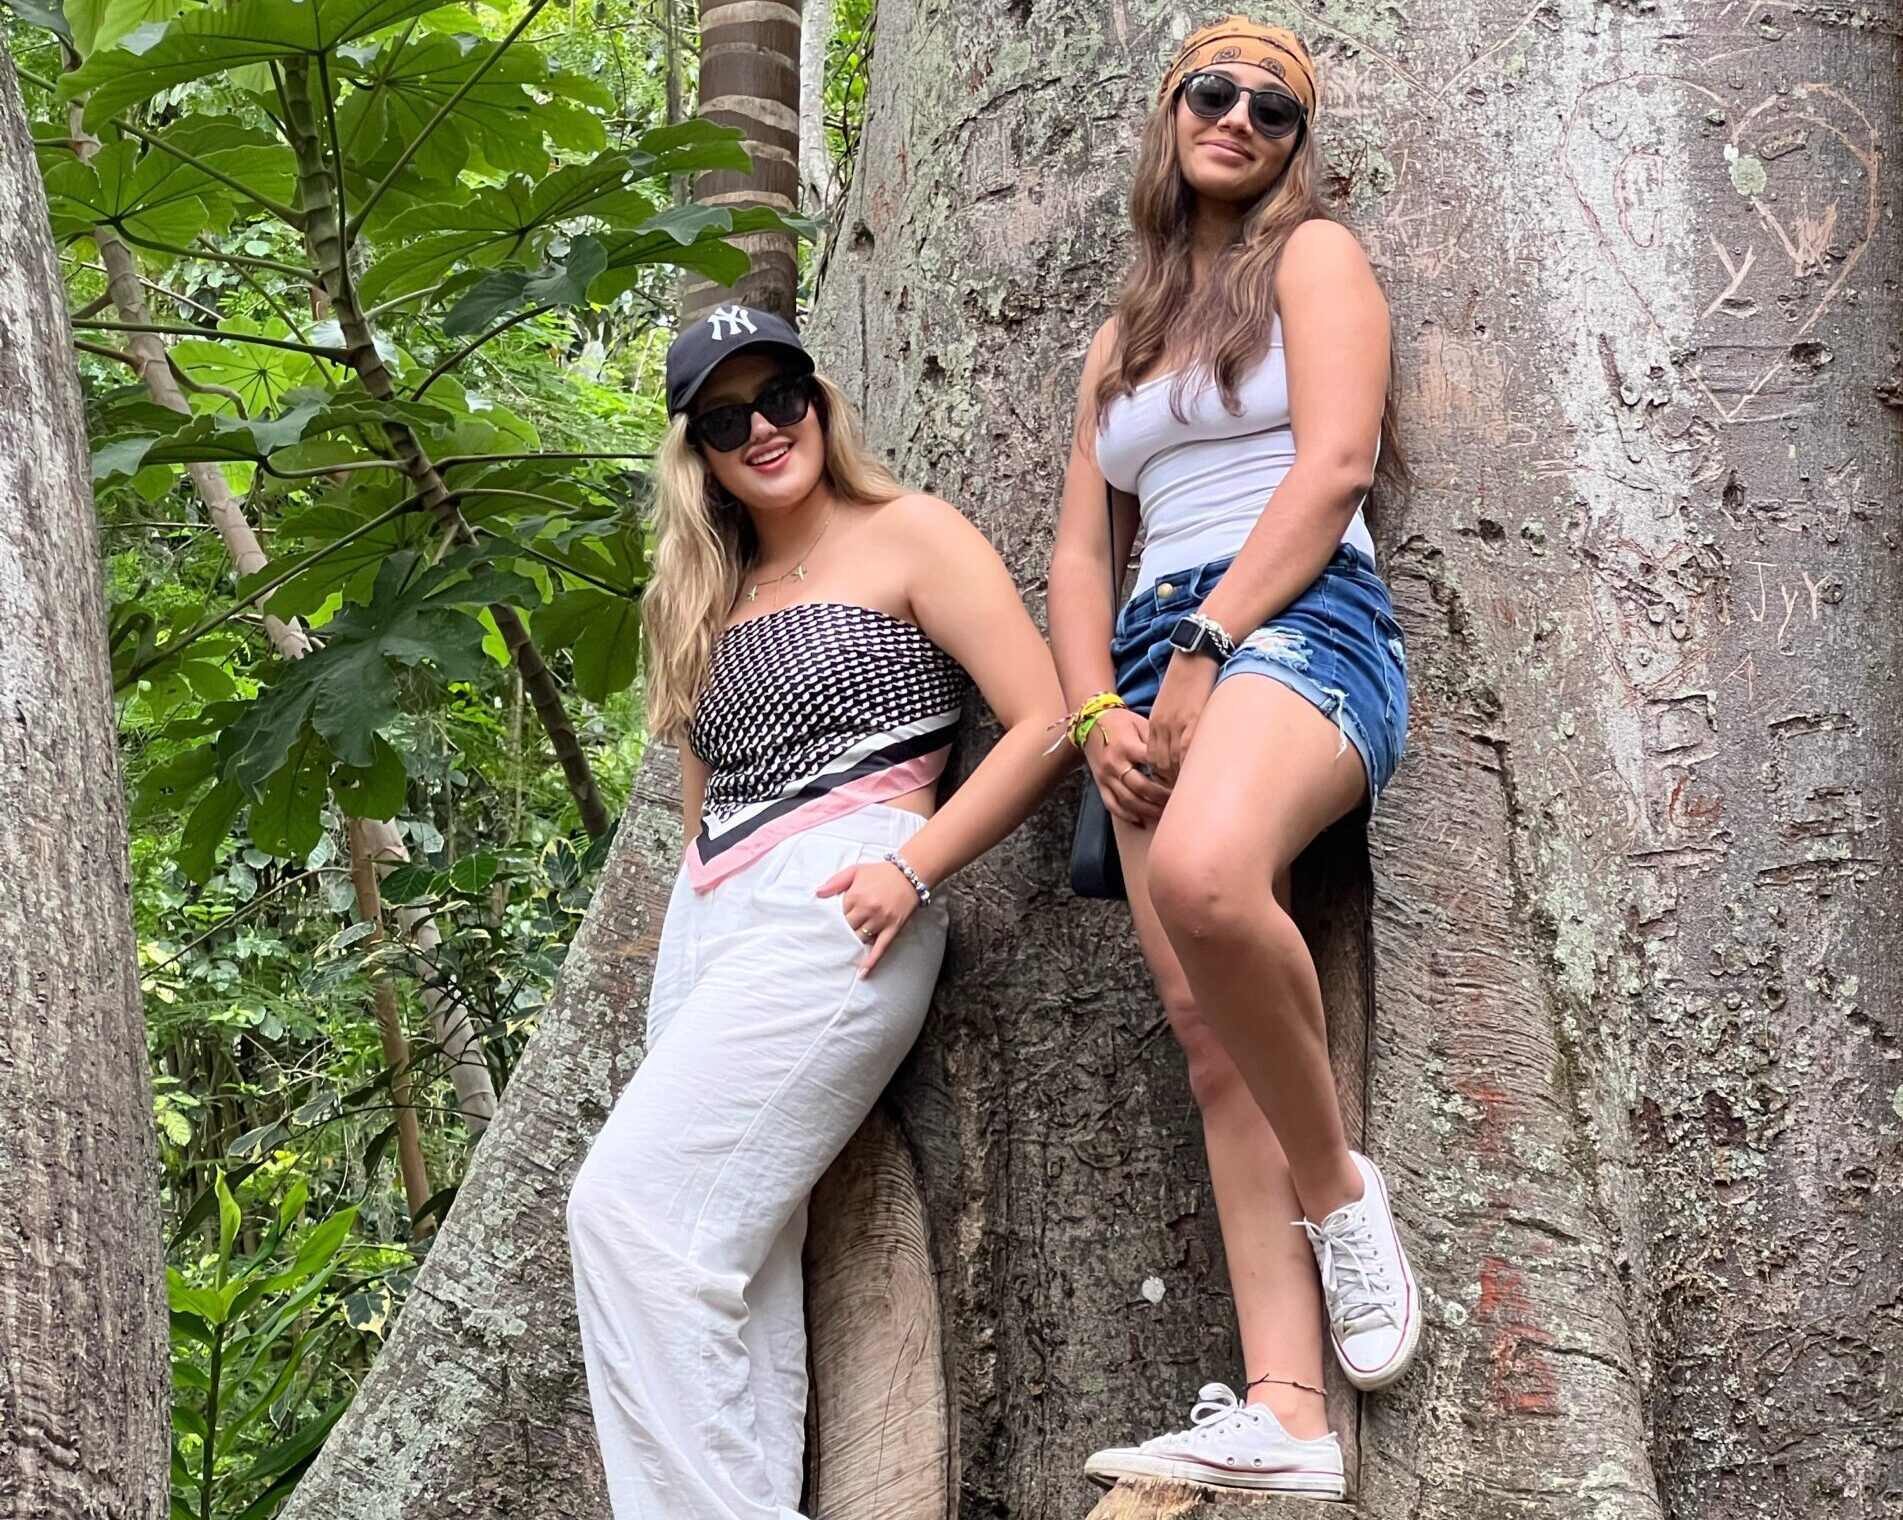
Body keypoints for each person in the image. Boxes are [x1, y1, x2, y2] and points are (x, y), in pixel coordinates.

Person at [566, 305, 1069, 1520]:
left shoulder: (911, 534)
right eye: (726, 418)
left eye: (779, 395)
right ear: (699, 452)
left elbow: (1048, 717)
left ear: (818, 396)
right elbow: (697, 804)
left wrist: (915, 865)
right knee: (732, 1262)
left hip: (847, 884)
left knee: (625, 1212)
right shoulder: (704, 593)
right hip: (712, 917)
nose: (763, 429)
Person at [1046, 18, 1419, 1499]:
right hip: (1139, 663)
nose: (1242, 116)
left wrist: (1204, 647)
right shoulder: (1116, 337)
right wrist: (1095, 717)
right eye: (1216, 90)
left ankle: (1339, 1195)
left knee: (1209, 878)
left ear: (1290, 143)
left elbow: (1330, 466)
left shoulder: (1312, 262)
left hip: (1298, 616)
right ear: (1171, 112)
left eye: (1274, 106)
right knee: (1207, 1039)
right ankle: (1284, 1414)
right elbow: (1080, 552)